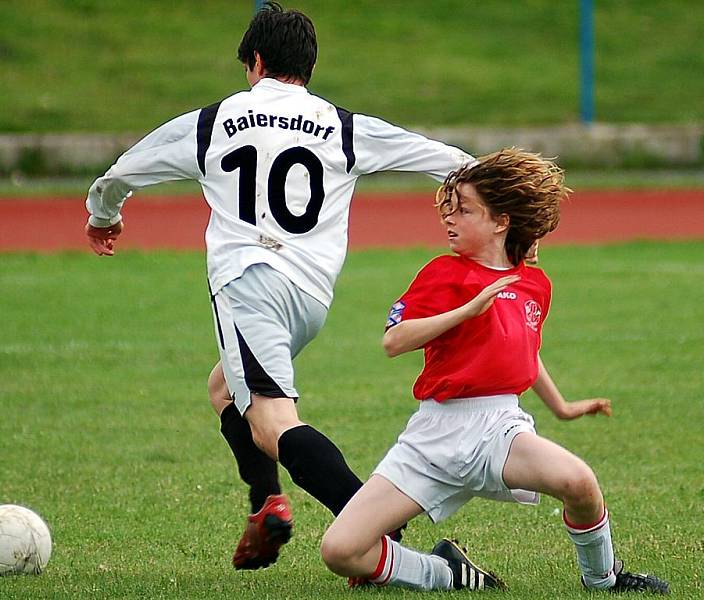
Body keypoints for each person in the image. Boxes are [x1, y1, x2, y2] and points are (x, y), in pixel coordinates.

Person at [84, 2, 473, 571]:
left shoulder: (213, 121)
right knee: (225, 389)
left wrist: (103, 213)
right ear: (308, 69)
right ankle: (265, 503)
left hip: (250, 284)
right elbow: (447, 161)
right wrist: (506, 205)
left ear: (256, 61)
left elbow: (124, 170)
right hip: (311, 300)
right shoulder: (343, 126)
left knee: (272, 423)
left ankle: (385, 533)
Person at [319, 148, 670, 594]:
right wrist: (466, 311)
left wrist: (561, 408)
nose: (450, 220)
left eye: (464, 211)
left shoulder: (534, 283)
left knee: (580, 482)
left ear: (500, 222)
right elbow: (395, 341)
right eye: (449, 209)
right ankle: (449, 573)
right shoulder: (443, 273)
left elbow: (522, 348)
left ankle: (604, 578)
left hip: (499, 428)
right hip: (434, 435)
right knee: (341, 550)